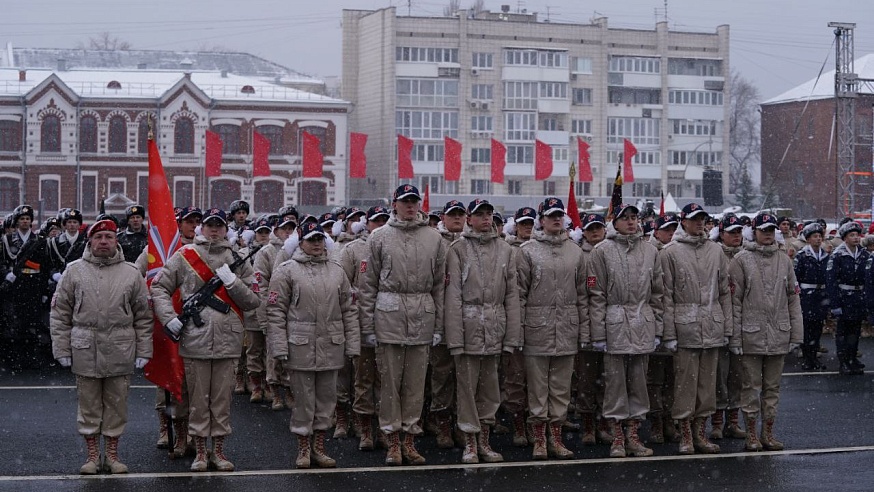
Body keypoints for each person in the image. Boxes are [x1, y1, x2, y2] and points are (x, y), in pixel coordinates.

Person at [150, 208, 261, 472]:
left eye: (219, 225)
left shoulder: (237, 259)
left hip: (228, 340)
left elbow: (253, 301)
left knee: (221, 401)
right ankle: (200, 452)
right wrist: (169, 318)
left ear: (226, 229)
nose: (214, 230)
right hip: (195, 339)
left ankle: (218, 452)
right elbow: (159, 287)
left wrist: (232, 282)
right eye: (209, 225)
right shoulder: (185, 256)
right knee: (199, 400)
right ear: (202, 228)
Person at [50, 219, 153, 474]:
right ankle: (93, 456)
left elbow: (143, 316)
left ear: (116, 240)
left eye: (108, 236)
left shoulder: (131, 273)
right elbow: (60, 314)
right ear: (90, 242)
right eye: (99, 237)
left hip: (120, 348)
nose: (104, 241)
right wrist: (62, 350)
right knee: (89, 406)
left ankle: (112, 455)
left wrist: (144, 350)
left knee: (117, 405)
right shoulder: (74, 271)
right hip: (85, 348)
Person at [358, 184, 446, 466]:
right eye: (405, 201)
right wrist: (368, 326)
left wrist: (438, 325)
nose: (410, 206)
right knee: (390, 385)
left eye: (414, 201)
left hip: (422, 315)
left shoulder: (434, 238)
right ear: (394, 204)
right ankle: (392, 442)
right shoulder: (379, 237)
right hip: (389, 316)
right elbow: (368, 284)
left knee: (415, 386)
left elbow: (439, 286)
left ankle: (410, 439)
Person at [266, 221, 360, 468]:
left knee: (327, 399)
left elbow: (349, 310)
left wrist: (352, 345)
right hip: (300, 345)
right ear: (301, 242)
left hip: (331, 343)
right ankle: (303, 448)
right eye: (311, 240)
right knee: (304, 400)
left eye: (320, 239)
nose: (316, 244)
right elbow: (276, 312)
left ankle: (319, 446)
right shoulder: (287, 271)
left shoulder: (337, 271)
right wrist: (279, 348)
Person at [445, 199, 522, 464]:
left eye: (489, 214)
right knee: (467, 387)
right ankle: (469, 441)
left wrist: (512, 336)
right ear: (470, 219)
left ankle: (485, 440)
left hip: (494, 325)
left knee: (490, 388)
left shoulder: (505, 250)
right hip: (468, 325)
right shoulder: (458, 250)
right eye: (480, 214)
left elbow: (512, 295)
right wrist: (454, 338)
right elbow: (452, 296)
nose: (486, 219)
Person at [588, 203, 663, 459]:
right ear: (614, 222)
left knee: (639, 383)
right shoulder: (602, 252)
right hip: (614, 323)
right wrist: (598, 333)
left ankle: (634, 435)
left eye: (634, 218)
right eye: (625, 218)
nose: (631, 222)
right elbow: (595, 295)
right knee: (615, 384)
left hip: (642, 322)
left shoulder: (651, 252)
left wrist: (657, 327)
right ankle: (617, 437)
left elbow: (658, 293)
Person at [517, 197, 588, 460]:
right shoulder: (527, 251)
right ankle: (538, 439)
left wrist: (584, 330)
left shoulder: (575, 251)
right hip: (537, 329)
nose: (556, 219)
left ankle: (556, 438)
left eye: (560, 215)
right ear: (541, 220)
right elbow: (519, 295)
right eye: (551, 216)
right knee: (537, 388)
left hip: (567, 328)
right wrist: (519, 331)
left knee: (560, 388)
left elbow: (583, 295)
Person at [660, 203, 732, 455]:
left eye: (703, 219)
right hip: (684, 326)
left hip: (712, 325)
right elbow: (665, 296)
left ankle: (701, 433)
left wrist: (727, 327)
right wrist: (668, 333)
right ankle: (686, 435)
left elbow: (725, 292)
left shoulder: (716, 250)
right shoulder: (670, 252)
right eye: (695, 219)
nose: (700, 223)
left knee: (707, 385)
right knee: (685, 384)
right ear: (684, 222)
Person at [729, 212, 802, 451]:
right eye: (764, 230)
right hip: (751, 334)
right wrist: (735, 337)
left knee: (773, 388)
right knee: (750, 387)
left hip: (779, 333)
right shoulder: (741, 260)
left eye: (772, 230)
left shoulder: (785, 260)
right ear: (755, 232)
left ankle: (768, 433)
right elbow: (734, 302)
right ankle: (751, 433)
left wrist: (796, 334)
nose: (768, 234)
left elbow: (793, 299)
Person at [336, 205, 391, 451]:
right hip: (361, 323)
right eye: (375, 221)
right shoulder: (352, 250)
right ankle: (364, 428)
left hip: (390, 322)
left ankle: (384, 428)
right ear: (366, 224)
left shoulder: (394, 246)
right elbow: (341, 287)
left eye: (384, 220)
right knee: (363, 378)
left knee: (386, 380)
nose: (379, 225)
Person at [574, 213, 614, 445]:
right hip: (587, 324)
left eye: (598, 228)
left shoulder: (610, 252)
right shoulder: (581, 256)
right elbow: (585, 294)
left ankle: (603, 423)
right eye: (590, 229)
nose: (595, 232)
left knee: (607, 380)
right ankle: (588, 425)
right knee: (587, 380)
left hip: (610, 324)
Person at [254, 212, 298, 411]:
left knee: (293, 353)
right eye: (284, 229)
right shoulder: (266, 252)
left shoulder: (298, 248)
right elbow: (261, 285)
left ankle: (289, 389)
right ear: (276, 230)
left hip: (296, 311)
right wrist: (264, 315)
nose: (288, 232)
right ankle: (275, 391)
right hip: (275, 308)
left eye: (291, 228)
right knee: (273, 352)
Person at [430, 199, 466, 449]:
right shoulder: (435, 244)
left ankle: (463, 425)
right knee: (441, 375)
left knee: (466, 378)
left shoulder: (470, 245)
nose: (456, 218)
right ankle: (442, 425)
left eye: (460, 214)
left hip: (468, 320)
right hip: (441, 319)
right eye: (452, 214)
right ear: (443, 217)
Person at [500, 206, 536, 447]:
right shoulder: (508, 251)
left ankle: (536, 423)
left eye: (531, 224)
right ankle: (518, 423)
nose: (528, 228)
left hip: (538, 323)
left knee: (537, 379)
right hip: (514, 319)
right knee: (515, 377)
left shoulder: (537, 251)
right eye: (523, 224)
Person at [711, 213, 747, 441]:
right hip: (719, 321)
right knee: (718, 377)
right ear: (721, 233)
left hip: (743, 324)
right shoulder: (714, 255)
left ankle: (733, 422)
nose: (736, 236)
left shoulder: (747, 256)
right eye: (731, 232)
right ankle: (716, 423)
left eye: (739, 232)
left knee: (738, 377)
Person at [644, 213, 679, 446]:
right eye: (667, 230)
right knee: (654, 379)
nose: (671, 234)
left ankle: (670, 420)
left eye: (675, 229)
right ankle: (656, 421)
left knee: (674, 379)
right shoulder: (650, 253)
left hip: (677, 322)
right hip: (657, 320)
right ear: (656, 232)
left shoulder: (678, 253)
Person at [826, 220, 869, 376]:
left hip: (859, 297)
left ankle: (852, 358)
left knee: (855, 331)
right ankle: (843, 361)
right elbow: (831, 281)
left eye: (857, 235)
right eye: (852, 235)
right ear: (845, 238)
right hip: (844, 297)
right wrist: (835, 303)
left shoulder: (864, 254)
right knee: (843, 332)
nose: (856, 238)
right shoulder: (838, 255)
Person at [239, 216, 272, 403]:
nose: (264, 236)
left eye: (267, 232)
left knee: (269, 350)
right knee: (253, 349)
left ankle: (269, 383)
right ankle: (255, 385)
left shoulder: (274, 252)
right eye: (260, 232)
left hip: (267, 307)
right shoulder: (244, 254)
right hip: (251, 308)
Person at [794, 222, 830, 371]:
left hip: (820, 296)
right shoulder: (802, 256)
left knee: (817, 328)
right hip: (807, 296)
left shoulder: (825, 256)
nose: (818, 239)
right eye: (815, 236)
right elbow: (796, 277)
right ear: (808, 239)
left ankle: (814, 357)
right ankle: (808, 358)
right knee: (807, 328)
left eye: (820, 236)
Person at [48, 209, 88, 274]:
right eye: (69, 222)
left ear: (79, 225)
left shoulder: (85, 241)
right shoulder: (55, 242)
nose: (72, 225)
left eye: (75, 222)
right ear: (65, 225)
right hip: (61, 276)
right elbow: (51, 262)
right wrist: (54, 274)